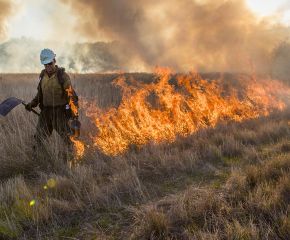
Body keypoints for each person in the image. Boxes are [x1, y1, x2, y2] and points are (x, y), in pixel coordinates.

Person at [25, 49, 74, 148]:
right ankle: (39, 157)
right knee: (39, 138)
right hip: (45, 112)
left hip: (59, 113)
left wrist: (73, 114)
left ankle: (73, 156)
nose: (48, 66)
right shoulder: (42, 75)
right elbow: (40, 94)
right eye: (45, 64)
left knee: (68, 138)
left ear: (54, 61)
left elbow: (71, 96)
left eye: (50, 63)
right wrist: (32, 103)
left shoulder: (63, 76)